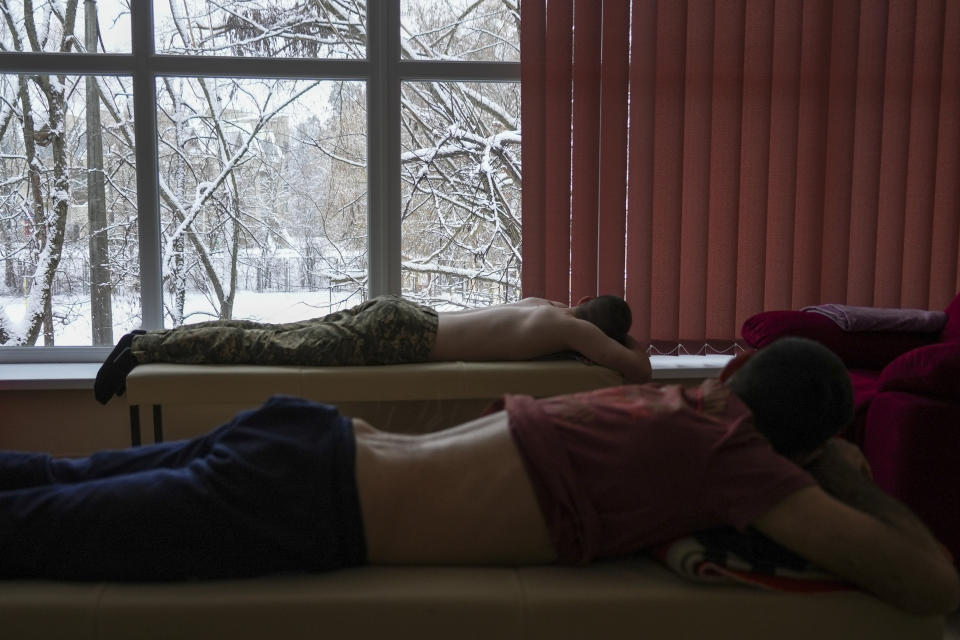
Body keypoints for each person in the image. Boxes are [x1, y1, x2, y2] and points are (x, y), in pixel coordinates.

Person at [6, 338, 958, 614]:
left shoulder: (687, 406)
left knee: (51, 476)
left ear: (735, 375)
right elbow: (932, 586)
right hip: (300, 498)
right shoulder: (742, 463)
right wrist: (851, 475)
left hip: (301, 439)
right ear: (800, 445)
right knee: (35, 528)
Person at [93, 294, 652, 405]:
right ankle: (144, 346)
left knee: (271, 334)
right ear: (600, 331)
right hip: (404, 338)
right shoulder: (575, 334)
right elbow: (639, 369)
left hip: (406, 312)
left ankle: (153, 342)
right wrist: (619, 342)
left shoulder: (548, 307)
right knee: (270, 348)